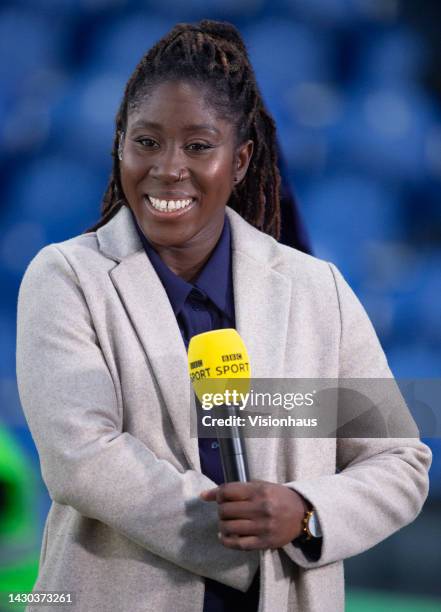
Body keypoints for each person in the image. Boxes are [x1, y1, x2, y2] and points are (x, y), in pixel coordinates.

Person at [16, 19, 431, 612]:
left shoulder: (318, 290)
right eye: (147, 141)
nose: (168, 168)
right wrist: (253, 542)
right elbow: (82, 459)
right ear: (120, 145)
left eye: (199, 145)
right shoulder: (67, 277)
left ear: (240, 162)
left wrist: (305, 514)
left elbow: (398, 460)